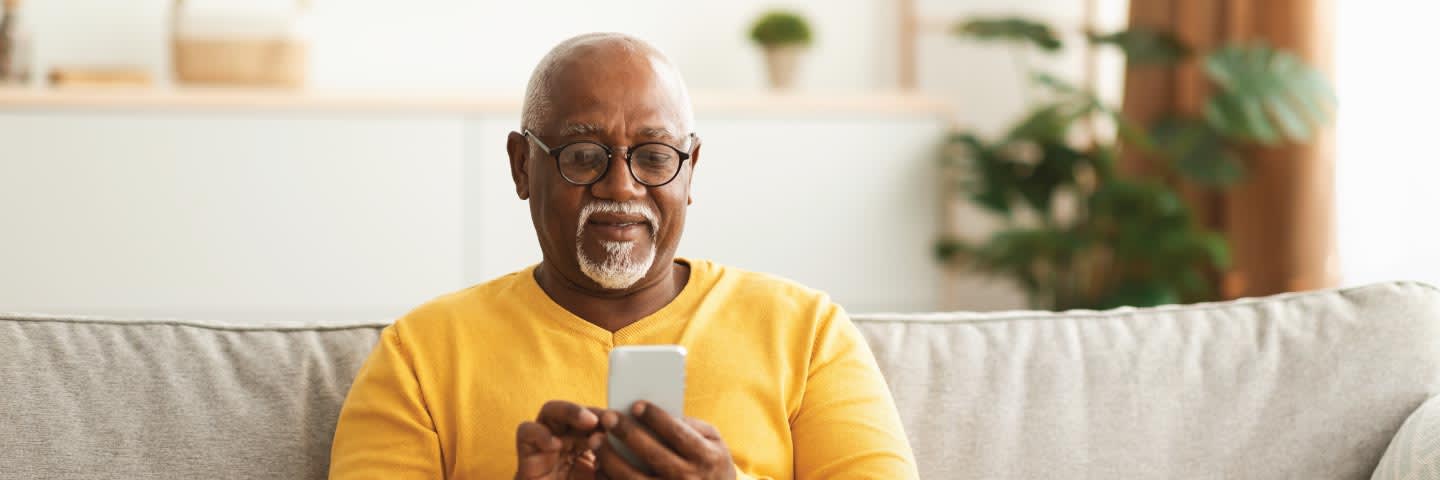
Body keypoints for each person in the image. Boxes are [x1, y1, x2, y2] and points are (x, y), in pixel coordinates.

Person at [328, 32, 917, 480]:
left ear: (690, 171)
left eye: (655, 155)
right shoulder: (419, 354)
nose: (621, 187)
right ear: (520, 166)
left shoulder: (806, 332)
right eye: (583, 154)